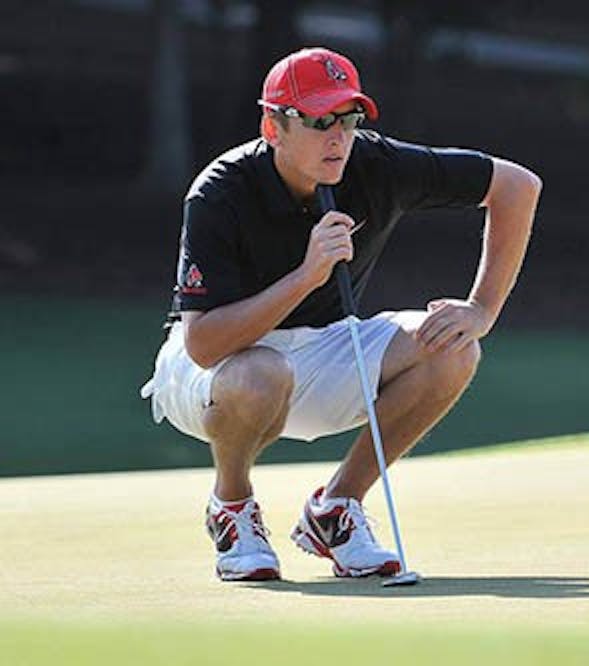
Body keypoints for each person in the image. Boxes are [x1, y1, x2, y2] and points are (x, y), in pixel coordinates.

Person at [140, 47, 541, 581]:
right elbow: (205, 343)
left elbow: (516, 186)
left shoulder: (376, 164)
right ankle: (232, 508)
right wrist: (306, 276)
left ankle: (335, 511)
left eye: (348, 119)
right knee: (261, 373)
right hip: (214, 371)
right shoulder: (221, 192)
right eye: (319, 121)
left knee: (453, 347)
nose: (339, 137)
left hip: (326, 349)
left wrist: (483, 308)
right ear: (274, 126)